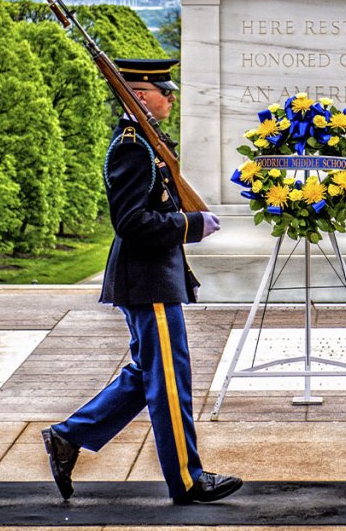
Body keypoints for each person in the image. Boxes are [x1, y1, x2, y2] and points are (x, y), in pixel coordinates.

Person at [41, 58, 242, 505]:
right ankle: (187, 480)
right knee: (171, 378)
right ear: (137, 95)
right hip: (147, 279)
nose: (171, 97)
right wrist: (189, 225)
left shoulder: (146, 142)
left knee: (148, 373)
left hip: (153, 277)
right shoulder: (133, 147)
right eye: (162, 91)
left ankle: (68, 437)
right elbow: (130, 222)